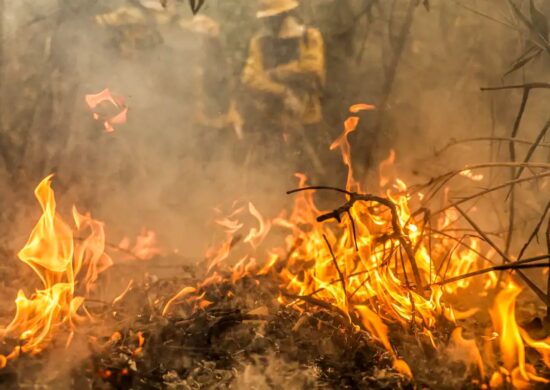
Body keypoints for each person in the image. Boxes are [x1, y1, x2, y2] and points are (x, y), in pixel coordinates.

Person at [241, 0, 326, 175]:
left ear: (285, 15)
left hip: (307, 117)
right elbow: (250, 78)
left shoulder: (309, 37)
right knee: (274, 175)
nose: (269, 22)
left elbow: (312, 67)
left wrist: (276, 73)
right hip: (272, 121)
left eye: (274, 17)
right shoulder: (259, 42)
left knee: (310, 175)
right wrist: (283, 92)